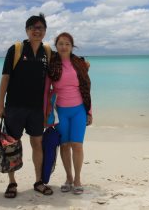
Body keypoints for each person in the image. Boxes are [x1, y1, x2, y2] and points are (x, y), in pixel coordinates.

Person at [0, 13, 53, 198]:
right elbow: (5, 77)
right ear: (27, 30)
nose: (37, 31)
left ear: (45, 31)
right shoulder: (17, 49)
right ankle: (12, 183)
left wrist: (83, 65)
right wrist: (0, 105)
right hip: (15, 106)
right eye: (33, 27)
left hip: (37, 108)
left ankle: (38, 181)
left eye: (41, 28)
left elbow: (59, 69)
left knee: (37, 143)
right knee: (12, 144)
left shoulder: (47, 52)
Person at [48, 32, 92, 195]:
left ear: (72, 46)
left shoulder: (80, 64)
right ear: (56, 46)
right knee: (65, 145)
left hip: (79, 110)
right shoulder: (52, 65)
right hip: (61, 112)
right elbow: (47, 89)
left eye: (67, 44)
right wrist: (47, 112)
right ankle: (68, 178)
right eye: (61, 43)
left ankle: (78, 179)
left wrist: (89, 111)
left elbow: (86, 88)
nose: (64, 46)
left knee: (77, 145)